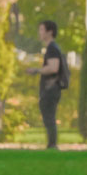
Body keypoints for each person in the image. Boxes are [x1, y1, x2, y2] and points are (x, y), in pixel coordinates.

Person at [27, 20, 63, 150]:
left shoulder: (52, 48)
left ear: (50, 32)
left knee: (49, 116)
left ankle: (52, 145)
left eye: (42, 30)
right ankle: (51, 144)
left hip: (51, 87)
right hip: (50, 87)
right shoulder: (51, 48)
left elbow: (53, 67)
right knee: (48, 116)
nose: (39, 32)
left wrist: (36, 70)